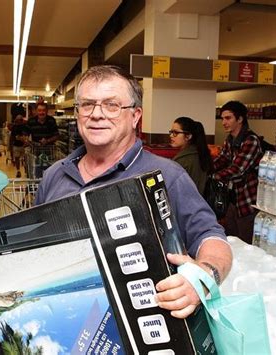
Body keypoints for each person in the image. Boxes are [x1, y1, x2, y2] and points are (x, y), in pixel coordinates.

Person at [35, 65, 232, 319]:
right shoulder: (54, 176)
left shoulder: (167, 176)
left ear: (136, 116)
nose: (97, 114)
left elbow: (211, 237)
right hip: (66, 319)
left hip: (143, 325)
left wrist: (203, 277)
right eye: (87, 105)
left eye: (111, 105)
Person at [213, 101, 263, 244]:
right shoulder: (230, 140)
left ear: (240, 119)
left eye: (228, 118)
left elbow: (237, 170)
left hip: (248, 201)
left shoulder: (250, 140)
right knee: (231, 239)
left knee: (245, 242)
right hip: (233, 200)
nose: (224, 122)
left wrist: (214, 176)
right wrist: (206, 167)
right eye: (222, 118)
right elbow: (221, 160)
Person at [170, 117, 212, 195]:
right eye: (171, 132)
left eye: (175, 132)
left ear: (188, 136)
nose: (171, 136)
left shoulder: (185, 159)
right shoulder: (199, 153)